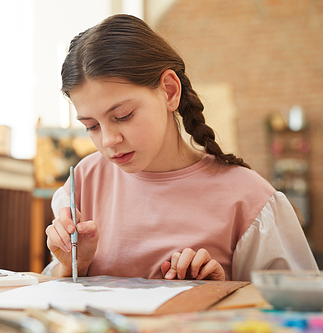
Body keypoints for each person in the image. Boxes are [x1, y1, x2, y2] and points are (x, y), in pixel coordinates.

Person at [42, 14, 319, 281]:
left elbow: (296, 313)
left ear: (169, 91)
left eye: (123, 116)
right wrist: (70, 266)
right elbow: (54, 288)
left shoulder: (249, 199)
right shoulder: (84, 182)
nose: (108, 140)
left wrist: (220, 293)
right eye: (92, 126)